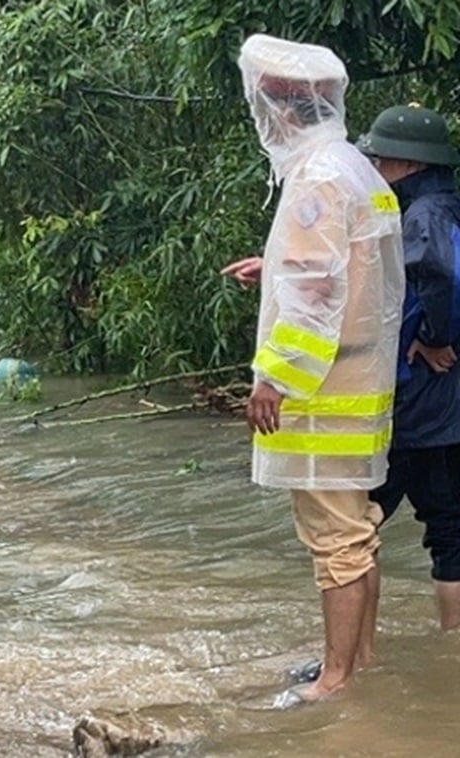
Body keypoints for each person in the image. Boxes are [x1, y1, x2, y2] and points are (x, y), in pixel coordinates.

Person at [236, 34, 404, 707]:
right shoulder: (355, 167)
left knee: (335, 540)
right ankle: (358, 664)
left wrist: (272, 378)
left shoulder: (316, 177)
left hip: (321, 389)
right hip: (359, 381)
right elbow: (349, 272)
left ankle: (334, 682)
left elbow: (312, 289)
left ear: (278, 108)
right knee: (357, 531)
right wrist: (271, 266)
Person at [355, 105, 460, 629]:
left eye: (377, 157)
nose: (372, 165)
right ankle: (444, 662)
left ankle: (349, 660)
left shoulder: (425, 216)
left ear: (404, 162)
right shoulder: (444, 206)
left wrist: (433, 337)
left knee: (357, 523)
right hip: (444, 402)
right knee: (450, 529)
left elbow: (441, 275)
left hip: (422, 400)